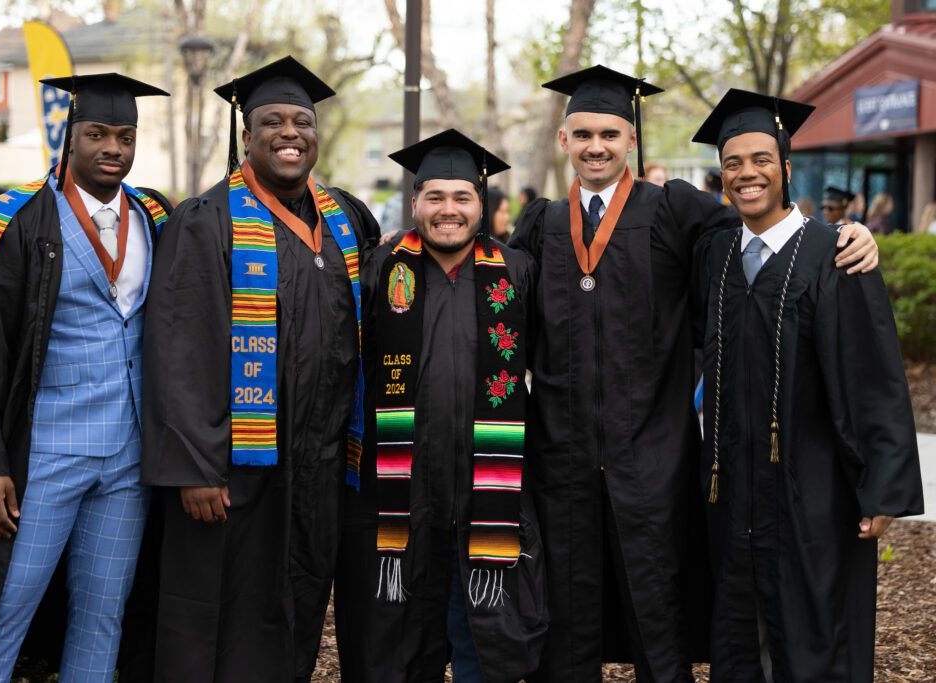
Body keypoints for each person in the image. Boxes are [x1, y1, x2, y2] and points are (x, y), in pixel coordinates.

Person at [509, 64, 879, 682]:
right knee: (565, 622)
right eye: (583, 134)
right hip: (562, 460)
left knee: (660, 616)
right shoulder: (542, 224)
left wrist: (846, 234)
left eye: (609, 133)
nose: (595, 146)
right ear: (563, 141)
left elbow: (771, 235)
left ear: (631, 140)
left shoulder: (674, 210)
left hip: (654, 459)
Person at [0, 73, 171, 680]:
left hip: (127, 461)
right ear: (69, 138)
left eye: (125, 136)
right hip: (42, 456)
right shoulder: (18, 219)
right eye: (98, 134)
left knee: (104, 613)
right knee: (0, 612)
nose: (113, 148)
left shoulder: (154, 216)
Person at [141, 55, 380, 682]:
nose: (290, 133)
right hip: (236, 472)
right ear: (247, 136)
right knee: (224, 616)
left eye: (302, 120)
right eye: (272, 121)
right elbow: (179, 350)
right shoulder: (208, 220)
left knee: (299, 605)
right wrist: (195, 465)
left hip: (320, 467)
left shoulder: (345, 221)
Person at [691, 88, 923, 682]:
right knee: (740, 635)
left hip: (814, 493)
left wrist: (883, 487)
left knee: (814, 634)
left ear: (787, 169)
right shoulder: (715, 256)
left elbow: (875, 376)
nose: (747, 174)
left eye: (761, 159)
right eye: (734, 163)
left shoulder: (835, 255)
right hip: (735, 489)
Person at [334, 129, 547, 681]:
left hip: (488, 489)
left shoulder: (518, 271)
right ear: (415, 203)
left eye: (461, 198)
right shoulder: (379, 270)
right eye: (435, 197)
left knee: (484, 645)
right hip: (403, 493)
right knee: (403, 645)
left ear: (482, 204)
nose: (447, 210)